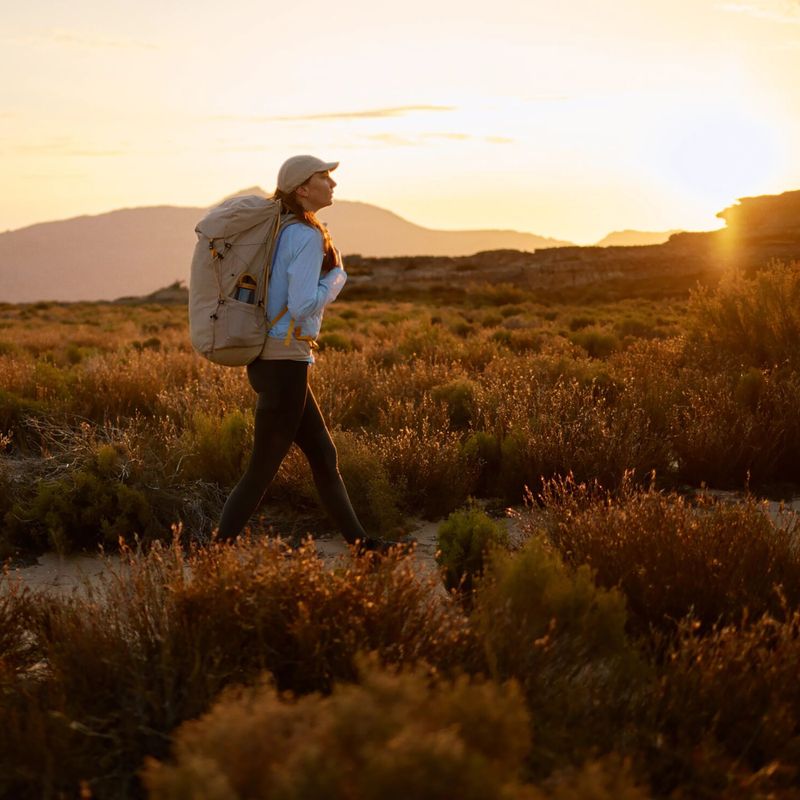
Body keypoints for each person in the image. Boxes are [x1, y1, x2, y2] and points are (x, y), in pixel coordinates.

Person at [217, 155, 388, 551]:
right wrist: (336, 279)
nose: (333, 184)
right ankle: (214, 555)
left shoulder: (285, 228)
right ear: (302, 189)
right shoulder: (307, 236)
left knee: (324, 457)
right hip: (284, 364)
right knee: (260, 473)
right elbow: (300, 305)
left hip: (274, 360)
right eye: (324, 178)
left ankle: (363, 547)